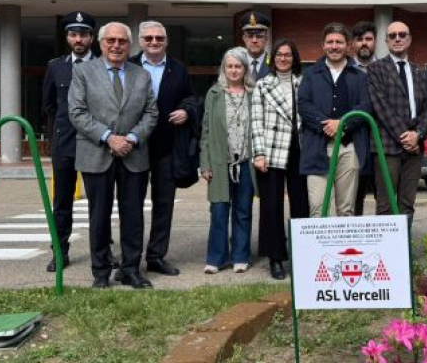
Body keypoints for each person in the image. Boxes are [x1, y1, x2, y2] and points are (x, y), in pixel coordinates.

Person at [68, 22, 158, 289]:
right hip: (97, 153)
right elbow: (77, 112)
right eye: (111, 41)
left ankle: (131, 269)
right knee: (99, 216)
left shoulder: (140, 74)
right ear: (101, 43)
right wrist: (109, 137)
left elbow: (152, 113)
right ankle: (100, 272)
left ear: (129, 45)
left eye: (121, 41)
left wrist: (130, 138)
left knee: (133, 216)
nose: (116, 46)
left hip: (133, 154)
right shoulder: (83, 72)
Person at [127, 21, 195, 277]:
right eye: (149, 38)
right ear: (141, 41)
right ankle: (130, 259)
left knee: (164, 205)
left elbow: (190, 97)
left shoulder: (178, 69)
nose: (154, 42)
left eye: (159, 38)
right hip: (134, 148)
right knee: (132, 205)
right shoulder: (129, 66)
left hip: (166, 147)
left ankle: (156, 256)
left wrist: (186, 111)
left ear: (166, 41)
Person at [298, 22, 372, 217]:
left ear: (347, 46)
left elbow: (365, 105)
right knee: (317, 208)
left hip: (349, 149)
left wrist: (342, 123)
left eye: (339, 42)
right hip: (317, 147)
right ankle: (321, 249)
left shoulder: (359, 76)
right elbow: (304, 104)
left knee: (346, 209)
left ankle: (344, 249)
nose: (334, 46)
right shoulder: (310, 74)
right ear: (323, 45)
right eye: (330, 42)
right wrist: (327, 124)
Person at [42, 11, 96, 272]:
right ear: (67, 38)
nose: (78, 39)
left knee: (99, 201)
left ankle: (102, 249)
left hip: (95, 143)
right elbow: (49, 105)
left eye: (83, 34)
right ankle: (59, 252)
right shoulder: (56, 67)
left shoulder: (101, 64)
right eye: (74, 34)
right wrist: (59, 134)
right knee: (61, 202)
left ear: (91, 38)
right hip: (64, 144)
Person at [251, 39, 309, 280]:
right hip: (272, 152)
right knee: (271, 207)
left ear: (294, 58)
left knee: (302, 205)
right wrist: (259, 153)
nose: (284, 59)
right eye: (279, 55)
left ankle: (303, 255)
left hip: (300, 150)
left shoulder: (304, 83)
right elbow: (256, 122)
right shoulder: (263, 85)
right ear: (273, 59)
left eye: (288, 55)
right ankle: (275, 258)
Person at [367, 21, 427, 223]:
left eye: (402, 34)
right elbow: (380, 106)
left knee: (407, 203)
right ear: (386, 41)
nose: (397, 38)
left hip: (415, 147)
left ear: (409, 39)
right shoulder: (376, 69)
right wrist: (406, 136)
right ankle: (385, 252)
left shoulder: (419, 71)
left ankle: (403, 250)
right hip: (388, 146)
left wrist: (418, 134)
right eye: (392, 35)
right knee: (385, 204)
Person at [201, 47, 256, 274]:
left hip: (246, 162)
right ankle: (216, 258)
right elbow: (205, 131)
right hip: (219, 163)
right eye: (229, 66)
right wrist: (205, 163)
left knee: (243, 211)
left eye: (238, 66)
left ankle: (240, 256)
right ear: (224, 69)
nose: (234, 70)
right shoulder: (214, 94)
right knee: (219, 210)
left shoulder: (254, 93)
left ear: (245, 69)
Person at [350, 20, 377, 215]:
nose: (364, 43)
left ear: (375, 42)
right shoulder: (345, 69)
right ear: (353, 43)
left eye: (368, 39)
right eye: (359, 39)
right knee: (354, 197)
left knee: (383, 196)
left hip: (380, 141)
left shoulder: (385, 68)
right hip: (353, 140)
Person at [241, 10, 272, 82]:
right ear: (244, 39)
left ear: (266, 39)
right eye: (250, 36)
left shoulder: (274, 64)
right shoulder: (237, 64)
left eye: (259, 36)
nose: (254, 40)